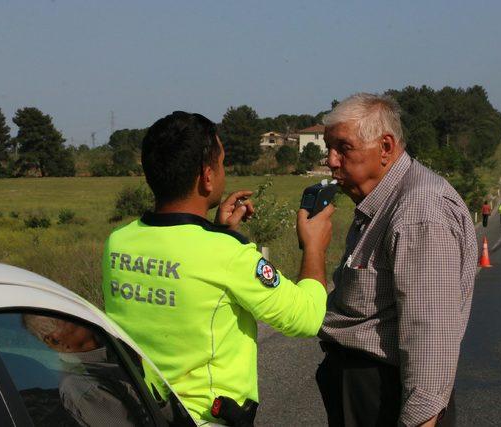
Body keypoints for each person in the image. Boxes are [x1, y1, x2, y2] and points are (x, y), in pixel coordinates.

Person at [101, 111, 334, 425]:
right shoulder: (228, 254)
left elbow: (184, 273)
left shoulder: (118, 242)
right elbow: (306, 317)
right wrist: (314, 246)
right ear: (207, 176)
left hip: (143, 413)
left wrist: (216, 231)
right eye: (221, 164)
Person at [317, 94, 477, 426]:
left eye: (343, 148)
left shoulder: (420, 209)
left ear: (386, 147)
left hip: (385, 396)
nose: (331, 161)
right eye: (328, 148)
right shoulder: (381, 202)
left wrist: (421, 419)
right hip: (366, 392)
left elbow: (429, 334)